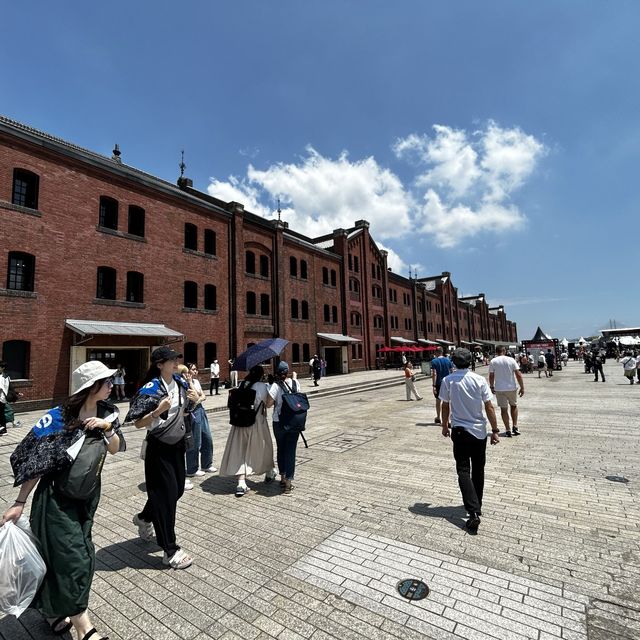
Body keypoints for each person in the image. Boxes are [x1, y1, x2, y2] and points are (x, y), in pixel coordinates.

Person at [2, 361, 124, 640]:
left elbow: (116, 449)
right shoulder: (59, 418)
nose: (111, 385)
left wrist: (107, 428)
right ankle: (85, 630)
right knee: (76, 560)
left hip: (87, 498)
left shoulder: (109, 412)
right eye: (105, 381)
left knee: (60, 559)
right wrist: (20, 502)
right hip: (55, 501)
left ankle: (52, 611)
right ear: (91, 386)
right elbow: (35, 462)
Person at [126, 346, 199, 570]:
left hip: (177, 444)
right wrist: (158, 410)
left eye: (176, 359)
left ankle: (145, 517)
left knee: (175, 490)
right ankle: (170, 549)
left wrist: (195, 398)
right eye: (170, 360)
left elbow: (190, 405)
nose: (175, 362)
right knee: (166, 497)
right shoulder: (151, 388)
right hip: (159, 447)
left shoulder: (179, 383)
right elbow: (137, 422)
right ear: (159, 364)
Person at [439, 348, 499, 532]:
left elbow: (445, 405)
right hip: (479, 431)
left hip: (459, 431)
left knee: (463, 470)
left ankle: (472, 510)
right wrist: (495, 430)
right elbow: (489, 407)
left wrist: (444, 425)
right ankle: (477, 505)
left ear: (454, 362)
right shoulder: (479, 380)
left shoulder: (448, 380)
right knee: (478, 469)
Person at [219, 365, 276, 496]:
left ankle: (241, 482)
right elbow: (268, 404)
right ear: (261, 375)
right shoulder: (262, 386)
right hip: (257, 423)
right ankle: (269, 471)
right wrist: (271, 386)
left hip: (240, 423)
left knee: (240, 451)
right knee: (264, 447)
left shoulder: (243, 384)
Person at [269, 361, 302, 494]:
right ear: (287, 371)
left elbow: (268, 404)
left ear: (277, 373)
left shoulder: (275, 386)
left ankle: (282, 478)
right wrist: (294, 378)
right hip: (294, 422)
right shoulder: (295, 383)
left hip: (279, 422)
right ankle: (288, 483)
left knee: (281, 449)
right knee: (291, 451)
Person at [184, 363, 216, 478]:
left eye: (196, 369)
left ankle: (206, 464)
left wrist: (198, 399)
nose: (195, 371)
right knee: (195, 440)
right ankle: (192, 468)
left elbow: (202, 396)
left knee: (207, 437)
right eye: (193, 369)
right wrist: (190, 382)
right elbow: (196, 396)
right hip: (192, 412)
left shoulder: (196, 381)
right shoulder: (185, 383)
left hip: (200, 410)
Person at [489, 345, 525, 437]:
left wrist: (492, 386)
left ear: (496, 352)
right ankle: (515, 426)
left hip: (499, 388)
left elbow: (491, 375)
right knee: (513, 406)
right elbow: (518, 374)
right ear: (504, 351)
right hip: (511, 387)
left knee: (503, 409)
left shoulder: (493, 361)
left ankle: (508, 429)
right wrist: (522, 387)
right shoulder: (511, 360)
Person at [430, 347, 452, 424]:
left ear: (436, 352)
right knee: (447, 401)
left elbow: (434, 373)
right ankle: (448, 420)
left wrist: (434, 385)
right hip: (447, 383)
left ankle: (438, 417)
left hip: (439, 383)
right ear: (442, 352)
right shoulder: (448, 360)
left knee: (438, 401)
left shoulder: (434, 361)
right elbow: (451, 372)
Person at [0, 361, 9, 436]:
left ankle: (3, 430)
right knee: (1, 414)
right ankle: (3, 430)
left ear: (3, 368)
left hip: (1, 398)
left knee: (1, 415)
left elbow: (1, 388)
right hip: (2, 399)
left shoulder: (4, 377)